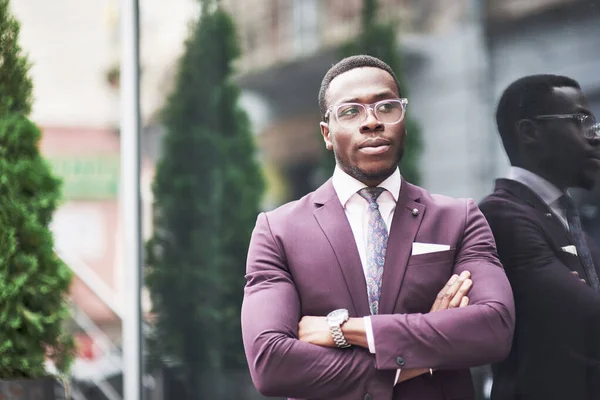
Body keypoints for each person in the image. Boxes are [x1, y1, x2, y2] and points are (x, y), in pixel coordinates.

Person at [241, 55, 515, 400]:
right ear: (327, 133)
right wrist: (413, 360)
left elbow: (493, 328)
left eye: (386, 107)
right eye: (350, 111)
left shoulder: (459, 218)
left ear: (403, 119)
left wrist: (344, 330)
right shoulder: (277, 230)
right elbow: (271, 363)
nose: (371, 122)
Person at [479, 74, 600, 400]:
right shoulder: (501, 215)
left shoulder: (570, 216)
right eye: (582, 122)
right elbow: (584, 319)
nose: (596, 137)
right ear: (530, 132)